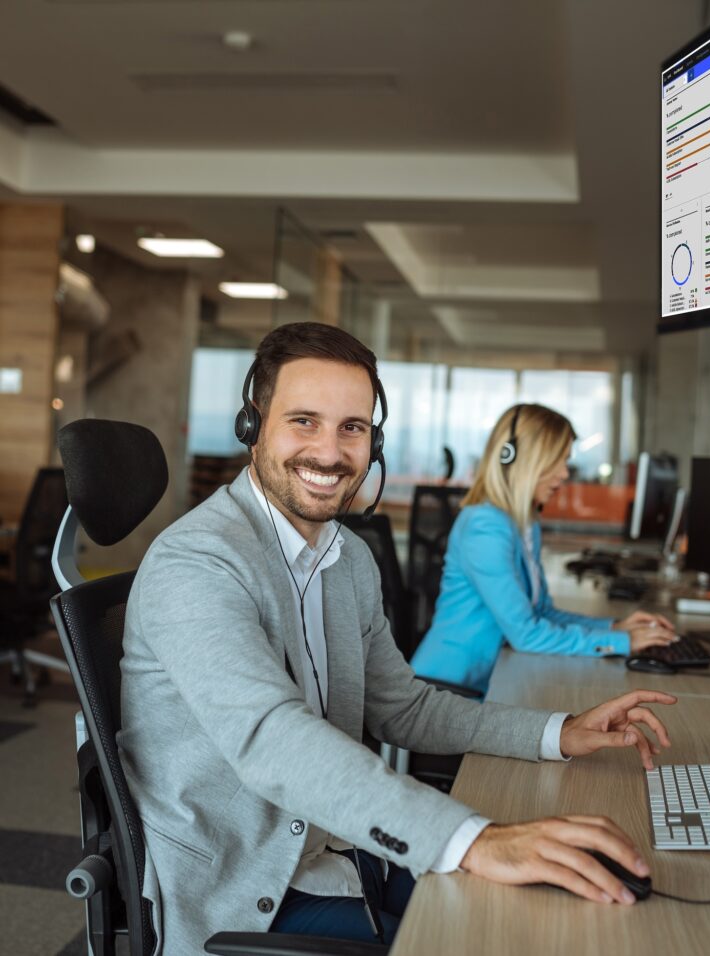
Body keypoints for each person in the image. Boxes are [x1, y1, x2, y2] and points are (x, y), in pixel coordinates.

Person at [118, 323, 677, 953]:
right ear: (253, 427)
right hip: (250, 891)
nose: (330, 454)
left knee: (559, 918)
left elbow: (401, 706)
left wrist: (555, 732)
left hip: (352, 850)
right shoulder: (196, 564)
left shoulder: (346, 558)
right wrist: (473, 840)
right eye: (304, 421)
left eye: (352, 428)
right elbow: (271, 739)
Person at [411, 403, 679, 694]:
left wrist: (615, 627)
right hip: (447, 691)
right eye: (558, 461)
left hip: (488, 679)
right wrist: (624, 643)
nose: (565, 474)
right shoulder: (484, 527)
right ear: (524, 460)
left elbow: (541, 614)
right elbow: (527, 634)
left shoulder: (525, 524)